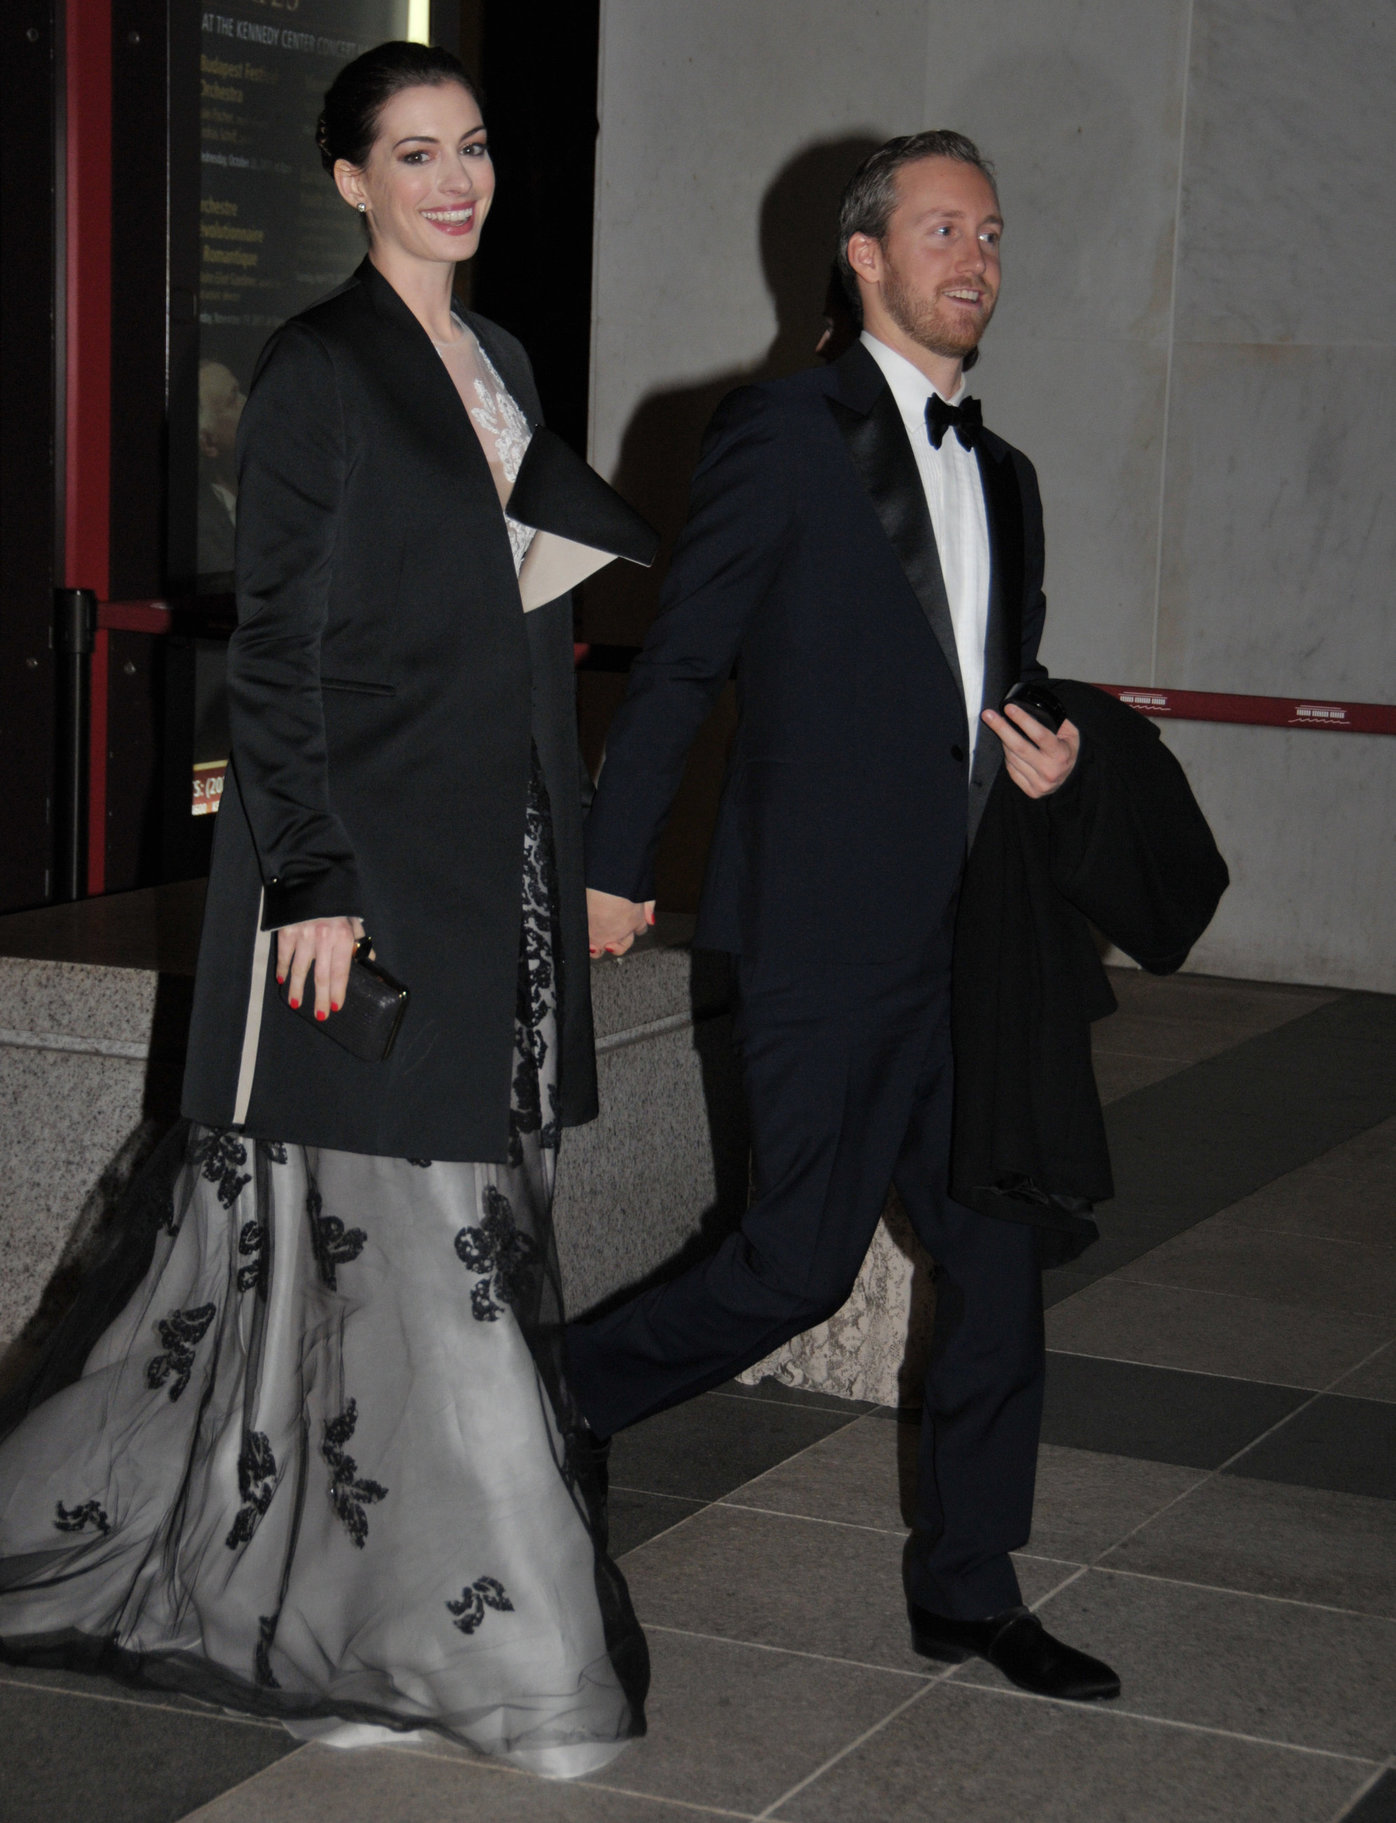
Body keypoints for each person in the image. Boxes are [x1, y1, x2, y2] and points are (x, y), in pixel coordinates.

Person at [0, 40, 652, 1777]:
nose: (457, 179)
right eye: (414, 153)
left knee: (413, 1254)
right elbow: (272, 649)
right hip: (358, 872)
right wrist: (313, 875)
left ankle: (315, 1607)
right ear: (351, 181)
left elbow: (500, 610)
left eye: (475, 146)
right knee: (419, 1263)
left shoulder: (496, 359)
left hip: (490, 860)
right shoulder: (316, 367)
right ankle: (460, 1648)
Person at [573, 132, 1122, 1703]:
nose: (978, 257)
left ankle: (969, 1584)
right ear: (866, 256)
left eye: (996, 233)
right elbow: (683, 661)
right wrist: (620, 864)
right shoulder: (781, 430)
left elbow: (992, 684)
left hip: (981, 940)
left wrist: (1049, 754)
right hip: (820, 929)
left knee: (999, 1262)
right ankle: (567, 1390)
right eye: (945, 228)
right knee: (794, 1266)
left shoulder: (1004, 477)